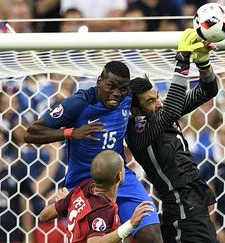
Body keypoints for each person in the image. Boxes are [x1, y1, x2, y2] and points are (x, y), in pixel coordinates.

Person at [24, 61, 162, 242]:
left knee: (152, 236)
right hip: (84, 186)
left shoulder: (129, 96)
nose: (116, 94)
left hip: (121, 178)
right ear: (99, 81)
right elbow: (31, 133)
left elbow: (150, 100)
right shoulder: (78, 103)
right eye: (111, 86)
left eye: (122, 89)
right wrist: (72, 133)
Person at [125, 28, 218, 242]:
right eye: (150, 101)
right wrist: (183, 60)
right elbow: (173, 109)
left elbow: (208, 91)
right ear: (135, 111)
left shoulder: (163, 113)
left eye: (157, 97)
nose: (158, 103)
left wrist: (203, 63)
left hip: (195, 211)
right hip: (182, 215)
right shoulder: (138, 134)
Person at [39, 150, 155, 243]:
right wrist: (131, 224)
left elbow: (43, 216)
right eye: (123, 168)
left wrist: (68, 202)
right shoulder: (103, 208)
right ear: (119, 176)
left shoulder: (82, 189)